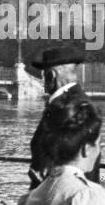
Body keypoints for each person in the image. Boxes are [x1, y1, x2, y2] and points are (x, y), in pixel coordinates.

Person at [28, 47, 100, 186]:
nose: (43, 81)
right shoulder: (79, 103)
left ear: (51, 76)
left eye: (44, 75)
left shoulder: (71, 106)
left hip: (62, 195)